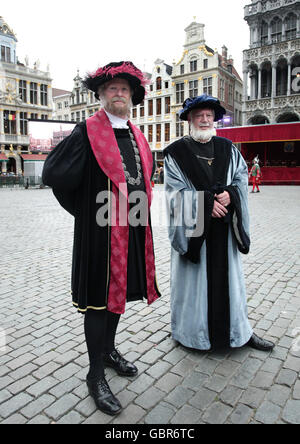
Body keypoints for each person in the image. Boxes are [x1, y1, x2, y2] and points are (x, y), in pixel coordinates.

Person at [42, 61, 161, 416]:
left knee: (118, 297)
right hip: (100, 235)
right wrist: (85, 214)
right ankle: (95, 375)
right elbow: (54, 174)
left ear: (132, 95)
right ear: (101, 95)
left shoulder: (137, 134)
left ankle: (108, 351)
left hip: (133, 230)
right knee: (98, 302)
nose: (119, 93)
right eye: (112, 89)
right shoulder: (86, 131)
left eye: (124, 89)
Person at [164, 94, 274, 353]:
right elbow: (173, 193)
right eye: (199, 115)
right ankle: (191, 334)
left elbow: (240, 178)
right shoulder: (176, 153)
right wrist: (203, 203)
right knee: (194, 287)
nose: (204, 120)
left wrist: (231, 194)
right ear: (189, 119)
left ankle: (239, 332)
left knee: (232, 285)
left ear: (215, 119)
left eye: (209, 116)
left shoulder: (228, 148)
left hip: (224, 232)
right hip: (196, 233)